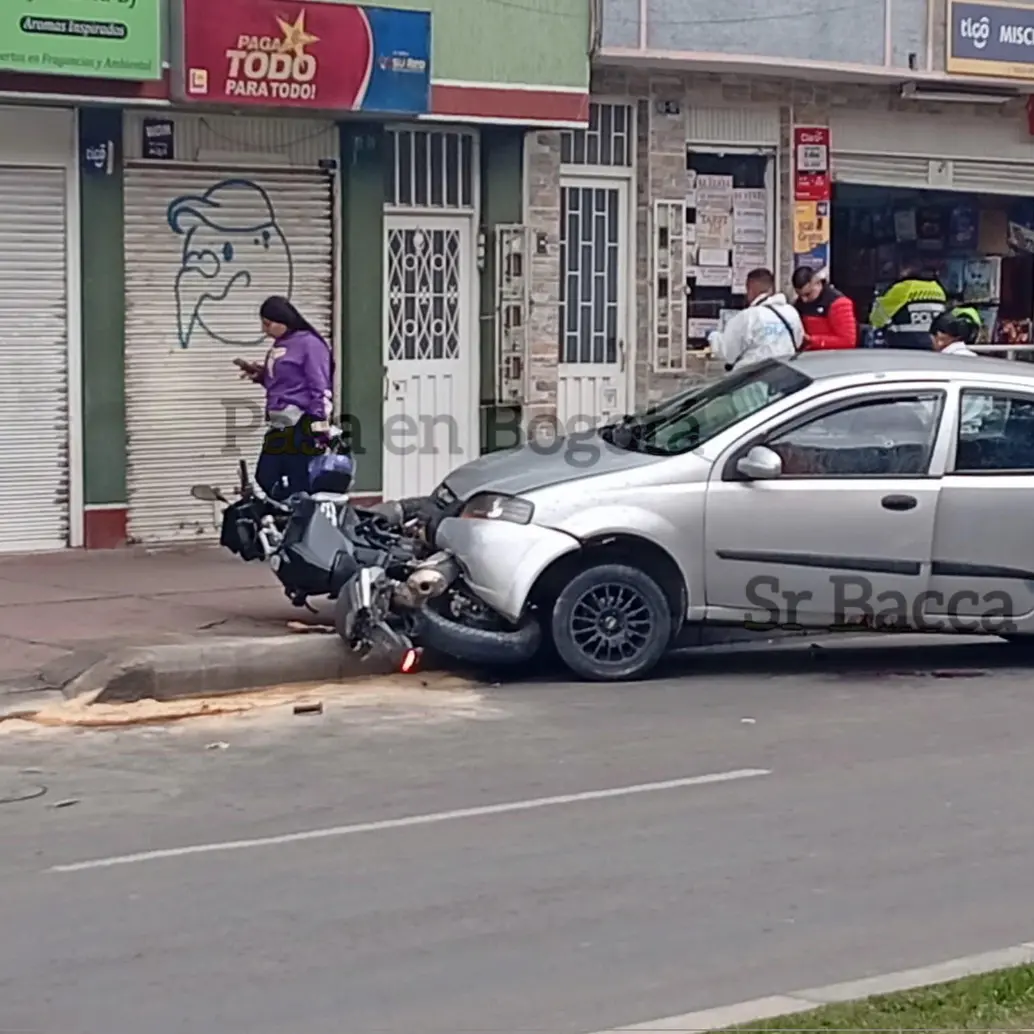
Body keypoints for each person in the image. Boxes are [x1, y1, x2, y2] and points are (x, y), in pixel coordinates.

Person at [235, 296, 334, 498]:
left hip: (301, 422)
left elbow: (319, 387)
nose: (264, 330)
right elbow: (285, 382)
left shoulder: (309, 344)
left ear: (282, 320)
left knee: (298, 480)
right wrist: (261, 375)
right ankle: (285, 511)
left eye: (268, 324)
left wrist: (317, 427)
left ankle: (297, 519)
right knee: (266, 475)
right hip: (279, 423)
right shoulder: (281, 344)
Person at [708, 267, 804, 372]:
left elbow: (727, 352)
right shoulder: (791, 312)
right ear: (771, 288)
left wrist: (713, 337)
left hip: (754, 377)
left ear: (750, 289)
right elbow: (798, 341)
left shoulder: (749, 317)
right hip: (783, 374)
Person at [868, 261, 947, 350]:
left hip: (904, 346)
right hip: (932, 345)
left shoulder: (903, 288)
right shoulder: (938, 289)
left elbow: (877, 319)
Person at [791, 266, 858, 350]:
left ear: (818, 284)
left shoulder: (838, 303)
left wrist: (813, 340)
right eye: (800, 295)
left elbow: (848, 341)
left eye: (808, 294)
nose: (804, 300)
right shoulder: (799, 304)